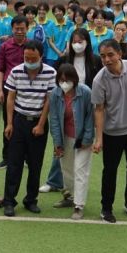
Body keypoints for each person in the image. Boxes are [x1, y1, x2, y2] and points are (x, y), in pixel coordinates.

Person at [0, 40, 56, 216]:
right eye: (26, 58)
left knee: (35, 164)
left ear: (41, 56)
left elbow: (49, 100)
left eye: (33, 58)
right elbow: (11, 98)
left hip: (38, 122)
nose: (29, 61)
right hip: (19, 121)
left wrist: (40, 124)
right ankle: (9, 201)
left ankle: (31, 200)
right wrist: (9, 123)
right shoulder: (16, 71)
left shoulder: (50, 73)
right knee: (14, 163)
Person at [91, 40, 127, 223]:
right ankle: (106, 208)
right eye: (103, 56)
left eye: (110, 55)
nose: (107, 60)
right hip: (112, 132)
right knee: (110, 171)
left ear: (119, 54)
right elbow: (99, 110)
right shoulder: (99, 80)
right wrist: (99, 138)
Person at [47, 62, 94, 220]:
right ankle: (69, 196)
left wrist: (87, 138)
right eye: (61, 80)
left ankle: (78, 206)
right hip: (65, 137)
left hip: (82, 138)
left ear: (74, 79)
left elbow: (90, 117)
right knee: (66, 170)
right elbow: (54, 119)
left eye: (67, 80)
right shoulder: (55, 94)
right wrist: (57, 143)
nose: (64, 83)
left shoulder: (85, 92)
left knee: (80, 170)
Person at [0, 15, 28, 169]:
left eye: (22, 28)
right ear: (12, 29)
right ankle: (7, 158)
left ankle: (25, 158)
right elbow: (0, 69)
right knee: (8, 122)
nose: (19, 31)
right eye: (16, 29)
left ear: (27, 28)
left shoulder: (32, 45)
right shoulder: (5, 46)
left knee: (26, 123)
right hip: (9, 89)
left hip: (28, 90)